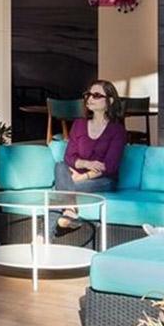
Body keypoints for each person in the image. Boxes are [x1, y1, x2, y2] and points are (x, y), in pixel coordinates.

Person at [54, 78, 127, 233]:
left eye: (96, 95)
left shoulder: (117, 130)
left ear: (110, 101)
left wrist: (81, 177)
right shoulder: (79, 124)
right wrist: (87, 164)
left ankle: (43, 237)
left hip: (103, 180)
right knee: (60, 166)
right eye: (88, 94)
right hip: (77, 175)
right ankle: (70, 212)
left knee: (61, 190)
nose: (90, 98)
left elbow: (110, 166)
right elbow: (68, 157)